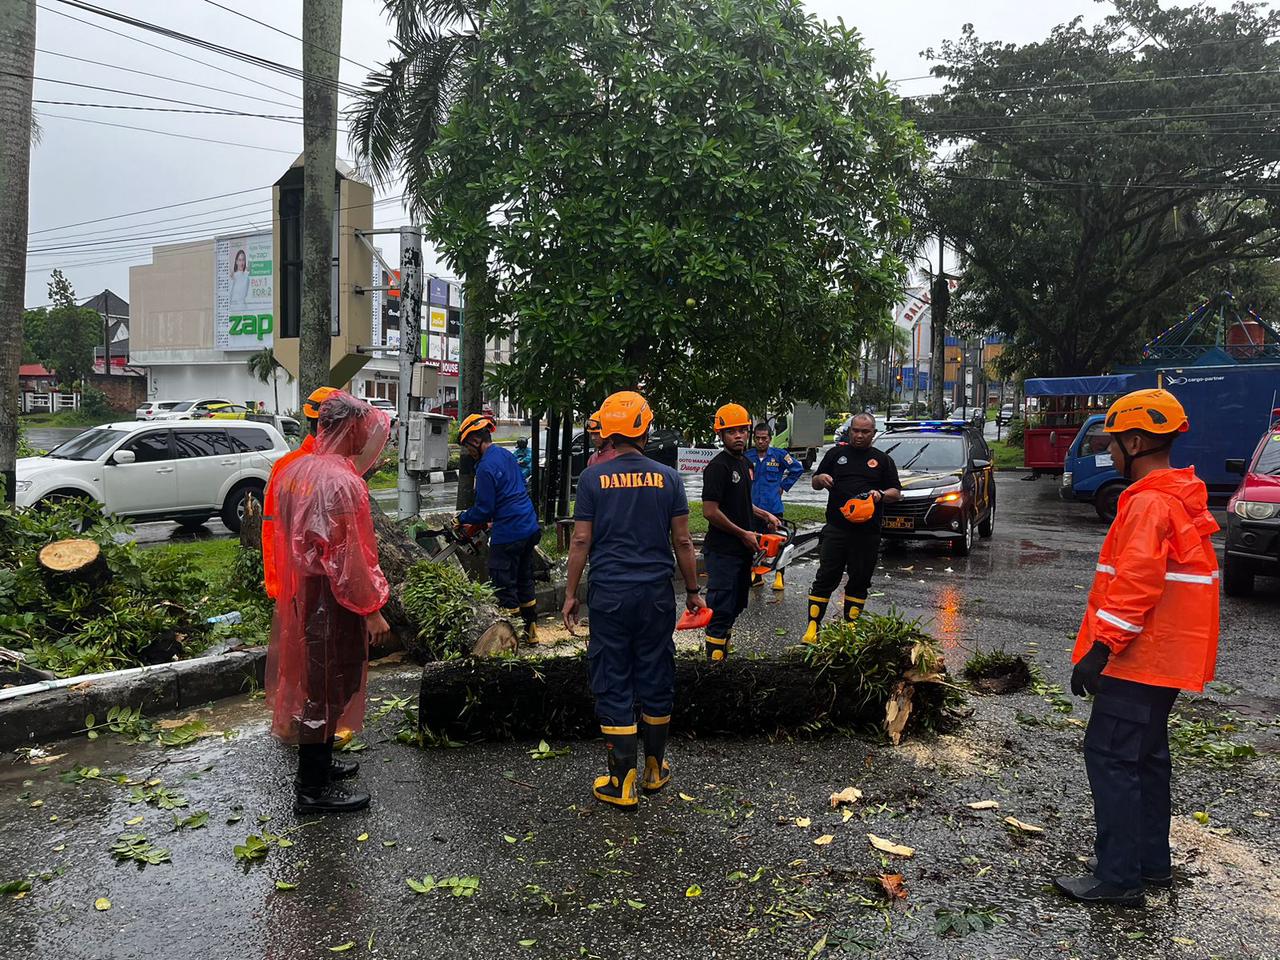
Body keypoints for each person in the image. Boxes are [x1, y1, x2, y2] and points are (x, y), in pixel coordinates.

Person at [1054, 389, 1220, 906]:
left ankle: (1118, 878)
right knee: (1146, 758)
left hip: (1139, 659)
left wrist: (1101, 649)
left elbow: (1136, 585)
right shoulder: (1178, 496)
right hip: (1165, 659)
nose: (1110, 454)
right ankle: (1151, 864)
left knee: (1110, 757)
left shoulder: (1149, 503)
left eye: (1113, 445)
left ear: (1136, 439)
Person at [562, 390, 704, 809]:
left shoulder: (592, 478)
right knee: (655, 671)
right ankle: (656, 770)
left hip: (610, 593)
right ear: (644, 428)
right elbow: (683, 541)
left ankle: (621, 782)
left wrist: (571, 594)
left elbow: (581, 540)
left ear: (608, 429)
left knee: (613, 676)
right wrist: (693, 592)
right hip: (656, 594)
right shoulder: (668, 477)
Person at [266, 393, 392, 814]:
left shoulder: (297, 470)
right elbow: (348, 556)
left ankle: (319, 764)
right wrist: (372, 608)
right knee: (328, 684)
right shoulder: (340, 481)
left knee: (317, 681)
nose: (367, 434)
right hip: (330, 600)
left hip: (304, 592)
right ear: (347, 426)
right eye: (362, 426)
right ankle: (312, 789)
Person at [802, 413, 901, 643]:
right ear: (850, 431)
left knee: (859, 580)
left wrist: (880, 495)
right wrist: (821, 478)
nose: (859, 435)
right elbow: (815, 482)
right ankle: (812, 629)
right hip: (837, 529)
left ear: (873, 433)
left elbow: (896, 493)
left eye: (865, 432)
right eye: (855, 430)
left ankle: (851, 630)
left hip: (867, 533)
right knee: (826, 577)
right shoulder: (836, 454)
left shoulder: (883, 460)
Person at [700, 403, 779, 662]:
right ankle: (713, 662)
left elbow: (743, 502)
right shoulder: (717, 467)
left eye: (742, 431)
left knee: (736, 605)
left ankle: (723, 652)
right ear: (721, 435)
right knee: (721, 607)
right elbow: (710, 511)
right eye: (731, 431)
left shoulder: (745, 463)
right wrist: (742, 532)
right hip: (723, 550)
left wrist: (763, 515)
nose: (738, 436)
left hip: (742, 549)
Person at [456, 413, 542, 645]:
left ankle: (509, 639)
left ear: (475, 439)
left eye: (467, 446)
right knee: (524, 578)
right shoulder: (506, 454)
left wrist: (462, 518)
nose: (468, 452)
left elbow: (483, 509)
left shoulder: (484, 467)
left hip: (510, 533)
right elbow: (514, 489)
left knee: (503, 584)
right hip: (529, 526)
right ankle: (531, 631)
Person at [262, 385, 340, 601]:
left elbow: (271, 529)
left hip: (289, 583)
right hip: (319, 585)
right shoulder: (331, 470)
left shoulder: (285, 465)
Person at [744, 421, 805, 590]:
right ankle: (756, 575)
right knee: (754, 543)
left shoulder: (779, 455)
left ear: (770, 439)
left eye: (764, 438)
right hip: (754, 509)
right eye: (757, 438)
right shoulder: (747, 457)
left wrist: (784, 486)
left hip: (774, 508)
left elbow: (797, 469)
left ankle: (779, 576)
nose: (761, 442)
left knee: (779, 544)